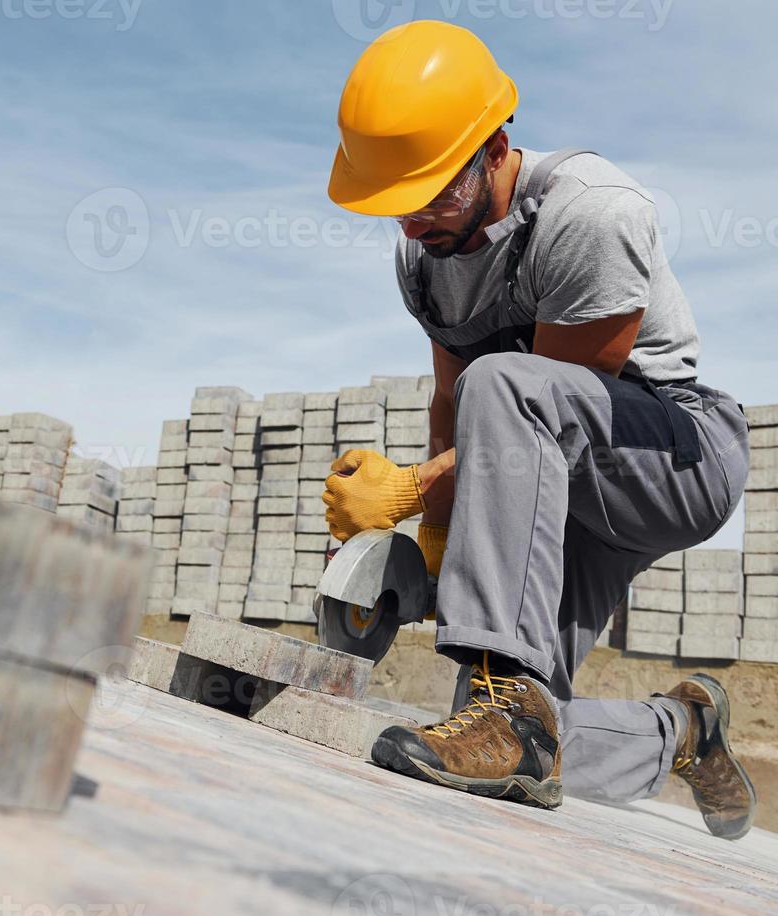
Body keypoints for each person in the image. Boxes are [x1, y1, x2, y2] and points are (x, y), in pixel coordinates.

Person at [321, 20, 755, 839]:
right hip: (563, 473)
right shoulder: (426, 255)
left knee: (509, 385)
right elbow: (452, 396)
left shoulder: (588, 212)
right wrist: (445, 534)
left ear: (494, 147)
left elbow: (550, 402)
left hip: (676, 456)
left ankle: (517, 724)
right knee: (499, 714)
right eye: (397, 207)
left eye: (432, 195)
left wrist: (412, 491)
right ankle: (684, 733)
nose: (415, 224)